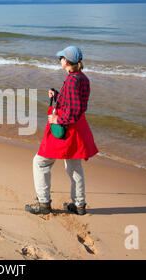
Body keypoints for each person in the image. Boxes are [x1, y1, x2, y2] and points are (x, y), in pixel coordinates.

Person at [25, 46, 98, 216]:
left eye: (61, 58)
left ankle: (44, 204)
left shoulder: (72, 80)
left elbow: (76, 108)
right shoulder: (82, 77)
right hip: (78, 128)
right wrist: (58, 95)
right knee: (74, 166)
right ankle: (79, 205)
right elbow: (75, 103)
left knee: (40, 162)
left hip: (66, 130)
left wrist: (58, 119)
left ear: (66, 61)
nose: (60, 60)